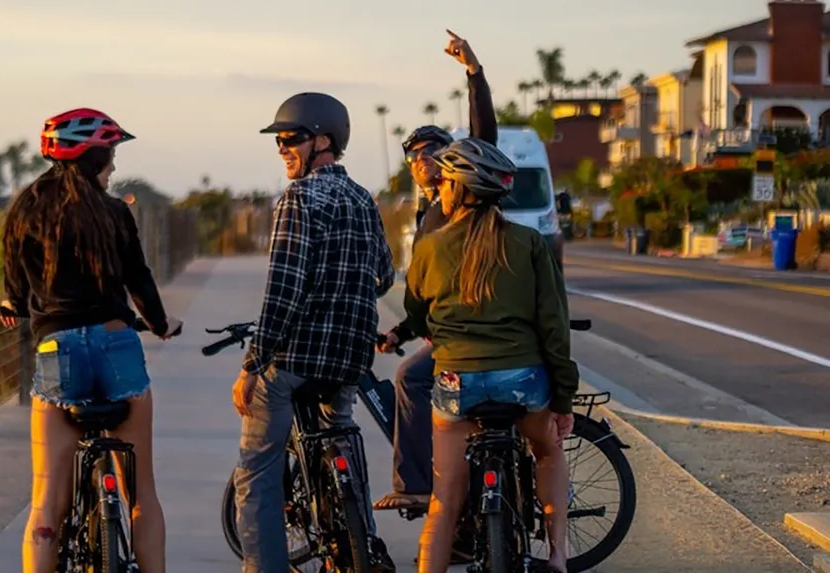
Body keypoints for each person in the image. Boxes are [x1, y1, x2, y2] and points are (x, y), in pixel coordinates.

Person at [0, 108, 182, 573]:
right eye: (111, 153)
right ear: (95, 155)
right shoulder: (115, 212)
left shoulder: (25, 211)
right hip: (117, 344)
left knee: (45, 505)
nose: (114, 165)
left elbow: (17, 289)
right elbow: (138, 279)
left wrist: (16, 306)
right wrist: (161, 323)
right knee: (143, 496)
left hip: (56, 350)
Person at [393, 137, 578, 573]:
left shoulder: (430, 248)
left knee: (444, 503)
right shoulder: (529, 244)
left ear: (455, 189)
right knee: (547, 452)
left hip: (457, 382)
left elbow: (416, 316)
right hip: (524, 381)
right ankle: (556, 556)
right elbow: (555, 326)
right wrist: (563, 400)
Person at [231, 92, 397, 573]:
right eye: (279, 141)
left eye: (291, 139)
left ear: (323, 141)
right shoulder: (364, 199)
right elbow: (383, 275)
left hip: (295, 360)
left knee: (257, 470)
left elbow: (282, 290)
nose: (283, 148)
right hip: (348, 359)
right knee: (342, 440)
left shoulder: (299, 197)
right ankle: (359, 542)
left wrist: (252, 364)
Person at [373, 30, 496, 519]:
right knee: (414, 375)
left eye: (430, 151)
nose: (420, 159)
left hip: (474, 332)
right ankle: (460, 520)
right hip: (447, 328)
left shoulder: (466, 197)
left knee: (410, 379)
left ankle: (415, 486)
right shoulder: (428, 215)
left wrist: (474, 71)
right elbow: (424, 293)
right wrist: (401, 330)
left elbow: (484, 134)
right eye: (413, 154)